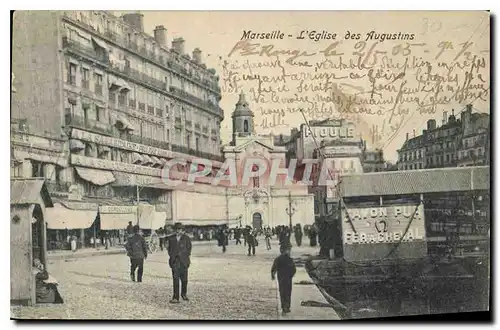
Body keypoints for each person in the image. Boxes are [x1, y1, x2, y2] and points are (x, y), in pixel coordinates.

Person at [166, 222, 192, 303]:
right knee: (175, 280)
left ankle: (184, 294)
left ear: (182, 230)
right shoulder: (171, 238)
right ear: (175, 230)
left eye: (179, 229)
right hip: (175, 262)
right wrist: (173, 256)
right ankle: (175, 297)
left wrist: (184, 256)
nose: (178, 231)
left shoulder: (186, 238)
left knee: (184, 280)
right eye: (176, 229)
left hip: (184, 262)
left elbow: (189, 249)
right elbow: (169, 249)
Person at [271, 242, 296, 316]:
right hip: (288, 279)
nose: (289, 251)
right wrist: (291, 275)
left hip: (281, 278)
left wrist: (273, 275)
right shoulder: (289, 259)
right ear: (286, 250)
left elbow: (273, 268)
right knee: (288, 293)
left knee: (282, 293)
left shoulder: (278, 259)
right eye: (289, 250)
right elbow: (294, 269)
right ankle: (286, 307)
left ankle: (284, 308)